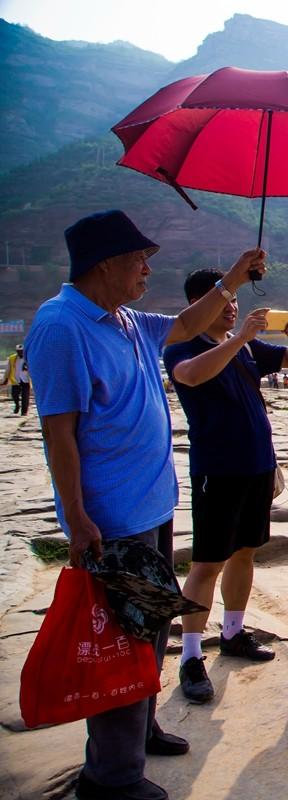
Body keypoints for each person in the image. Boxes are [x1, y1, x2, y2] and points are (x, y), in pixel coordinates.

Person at [25, 209, 263, 800]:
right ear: (105, 263)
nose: (147, 269)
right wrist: (77, 517)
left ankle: (141, 728)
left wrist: (233, 277)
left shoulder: (126, 319)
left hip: (151, 507)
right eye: (139, 259)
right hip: (111, 520)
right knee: (119, 643)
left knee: (148, 632)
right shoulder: (62, 327)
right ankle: (112, 776)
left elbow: (186, 323)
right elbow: (59, 432)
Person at [163, 268, 288, 704]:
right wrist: (240, 338)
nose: (230, 307)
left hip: (257, 467)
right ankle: (190, 656)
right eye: (221, 301)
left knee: (245, 552)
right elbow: (189, 377)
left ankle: (233, 632)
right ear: (196, 305)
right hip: (217, 471)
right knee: (207, 562)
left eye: (234, 303)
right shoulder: (182, 346)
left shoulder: (247, 348)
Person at [3, 343, 30, 415]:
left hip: (26, 380)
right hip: (16, 380)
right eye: (19, 351)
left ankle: (24, 412)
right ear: (16, 351)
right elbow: (8, 369)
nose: (20, 352)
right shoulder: (12, 358)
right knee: (14, 395)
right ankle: (17, 405)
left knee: (25, 397)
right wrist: (5, 379)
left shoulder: (29, 358)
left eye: (22, 351)